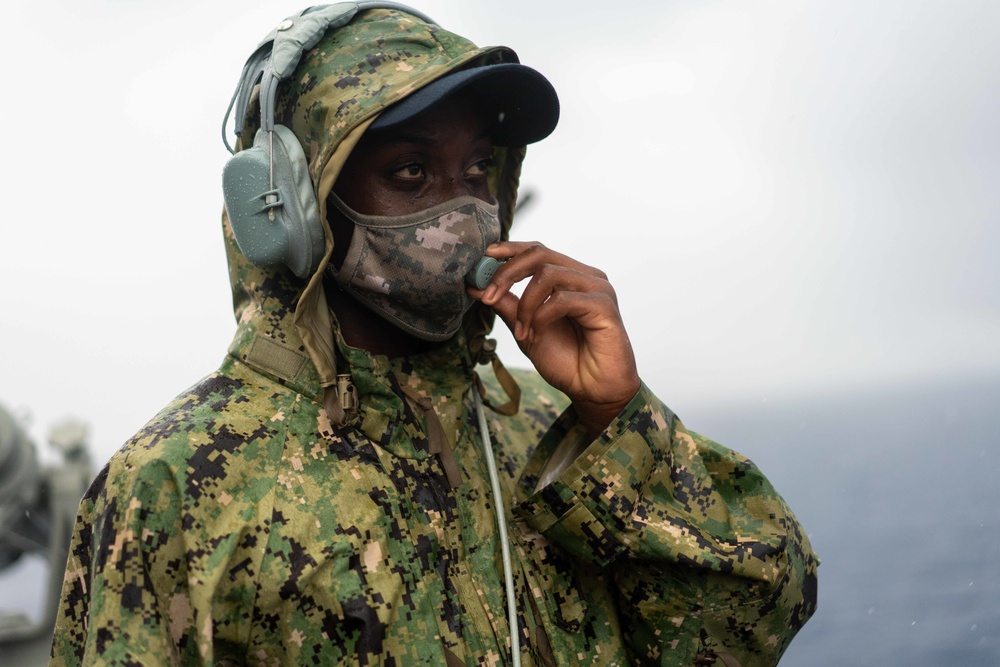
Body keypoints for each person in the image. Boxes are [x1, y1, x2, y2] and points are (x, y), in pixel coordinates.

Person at [50, 4, 818, 666]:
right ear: (298, 206)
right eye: (412, 172)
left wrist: (617, 422)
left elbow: (751, 624)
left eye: (479, 167)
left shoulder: (540, 450)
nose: (462, 210)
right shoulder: (179, 485)